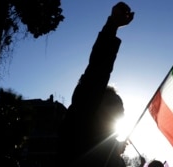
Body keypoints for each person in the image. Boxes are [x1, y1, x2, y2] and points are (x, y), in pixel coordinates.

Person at [57, 2, 134, 167]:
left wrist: (114, 149)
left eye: (121, 109)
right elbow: (98, 69)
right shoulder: (81, 126)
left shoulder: (110, 151)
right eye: (115, 106)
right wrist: (112, 25)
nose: (120, 112)